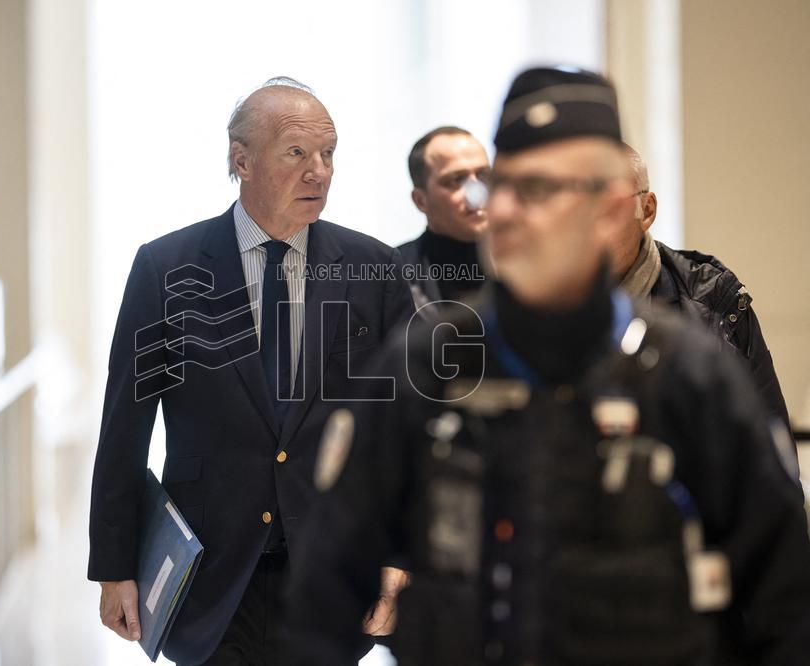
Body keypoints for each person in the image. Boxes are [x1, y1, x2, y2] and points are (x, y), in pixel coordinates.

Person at [287, 67, 810, 665]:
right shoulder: (428, 361)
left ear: (613, 210)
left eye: (536, 189)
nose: (503, 210)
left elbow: (785, 605)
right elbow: (322, 602)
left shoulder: (687, 375)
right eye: (500, 184)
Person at [88, 76, 415, 666]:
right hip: (208, 574)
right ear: (241, 159)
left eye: (328, 153)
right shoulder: (166, 267)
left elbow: (404, 435)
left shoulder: (374, 268)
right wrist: (114, 569)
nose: (320, 171)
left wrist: (399, 560)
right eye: (297, 153)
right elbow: (123, 429)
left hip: (330, 576)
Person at [613, 144, 792, 430]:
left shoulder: (713, 303)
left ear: (647, 210)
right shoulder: (532, 303)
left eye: (610, 206)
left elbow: (768, 450)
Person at [398, 126, 491, 312]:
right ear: (420, 200)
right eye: (456, 180)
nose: (477, 194)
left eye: (483, 175)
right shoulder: (392, 276)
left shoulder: (532, 261)